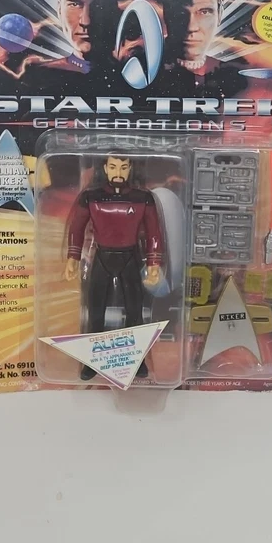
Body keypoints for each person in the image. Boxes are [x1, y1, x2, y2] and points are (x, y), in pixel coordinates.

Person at [64, 156, 164, 381]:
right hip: (102, 257)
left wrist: (154, 263)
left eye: (123, 167)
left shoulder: (143, 198)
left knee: (135, 313)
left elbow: (154, 233)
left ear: (130, 169)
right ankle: (91, 361)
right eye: (113, 166)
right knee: (95, 313)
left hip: (131, 257)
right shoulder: (91, 197)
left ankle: (137, 360)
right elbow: (76, 228)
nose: (118, 172)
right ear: (105, 168)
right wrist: (72, 258)